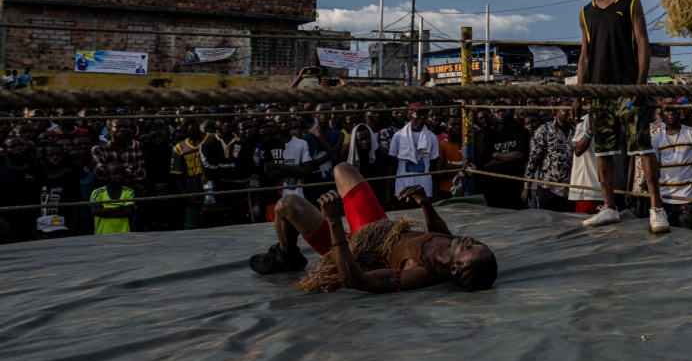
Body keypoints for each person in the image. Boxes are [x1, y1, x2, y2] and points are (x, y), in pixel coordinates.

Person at [248, 162, 496, 294]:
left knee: (287, 204)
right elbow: (444, 234)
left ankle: (286, 255)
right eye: (477, 242)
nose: (470, 240)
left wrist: (334, 222)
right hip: (379, 227)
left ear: (453, 269)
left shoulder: (420, 272)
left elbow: (355, 279)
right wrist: (426, 205)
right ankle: (288, 253)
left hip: (355, 252)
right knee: (342, 169)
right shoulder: (451, 246)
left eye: (469, 248)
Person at [574, 0, 669, 233]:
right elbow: (585, 56)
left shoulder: (630, 1)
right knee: (603, 152)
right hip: (600, 94)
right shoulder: (586, 12)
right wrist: (578, 94)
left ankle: (656, 208)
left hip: (629, 89)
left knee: (642, 148)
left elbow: (643, 43)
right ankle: (609, 207)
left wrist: (641, 84)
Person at [651, 100, 692, 231]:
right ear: (663, 113)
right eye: (668, 110)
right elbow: (654, 168)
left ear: (680, 112)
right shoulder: (657, 138)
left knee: (687, 239)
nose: (672, 113)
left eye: (675, 110)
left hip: (688, 199)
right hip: (664, 198)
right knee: (666, 238)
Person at [198, 116, 258, 228]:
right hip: (214, 204)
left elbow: (246, 173)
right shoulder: (207, 146)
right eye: (222, 120)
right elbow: (208, 170)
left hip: (238, 203)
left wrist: (217, 173)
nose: (226, 124)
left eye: (229, 120)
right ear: (215, 122)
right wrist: (235, 165)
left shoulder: (243, 145)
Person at [523, 105, 576, 212]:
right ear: (556, 112)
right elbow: (533, 160)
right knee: (548, 223)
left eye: (573, 110)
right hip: (548, 188)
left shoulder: (576, 130)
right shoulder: (544, 130)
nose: (570, 112)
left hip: (572, 189)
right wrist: (526, 186)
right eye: (566, 110)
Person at [479, 108, 528, 210]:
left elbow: (520, 155)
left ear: (508, 112)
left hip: (516, 187)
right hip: (495, 187)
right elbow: (488, 164)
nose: (501, 113)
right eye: (497, 111)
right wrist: (511, 157)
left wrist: (496, 154)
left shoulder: (520, 131)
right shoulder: (489, 137)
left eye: (503, 111)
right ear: (493, 115)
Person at [569, 113, 603, 216]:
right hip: (590, 190)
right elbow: (578, 150)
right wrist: (591, 131)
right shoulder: (586, 120)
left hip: (609, 189)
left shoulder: (615, 116)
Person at [90, 161, 136, 235]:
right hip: (103, 233)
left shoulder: (128, 191)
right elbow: (94, 211)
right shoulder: (98, 192)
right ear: (106, 175)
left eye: (121, 173)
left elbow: (128, 212)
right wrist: (118, 208)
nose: (118, 176)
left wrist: (103, 212)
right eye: (114, 174)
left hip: (123, 233)